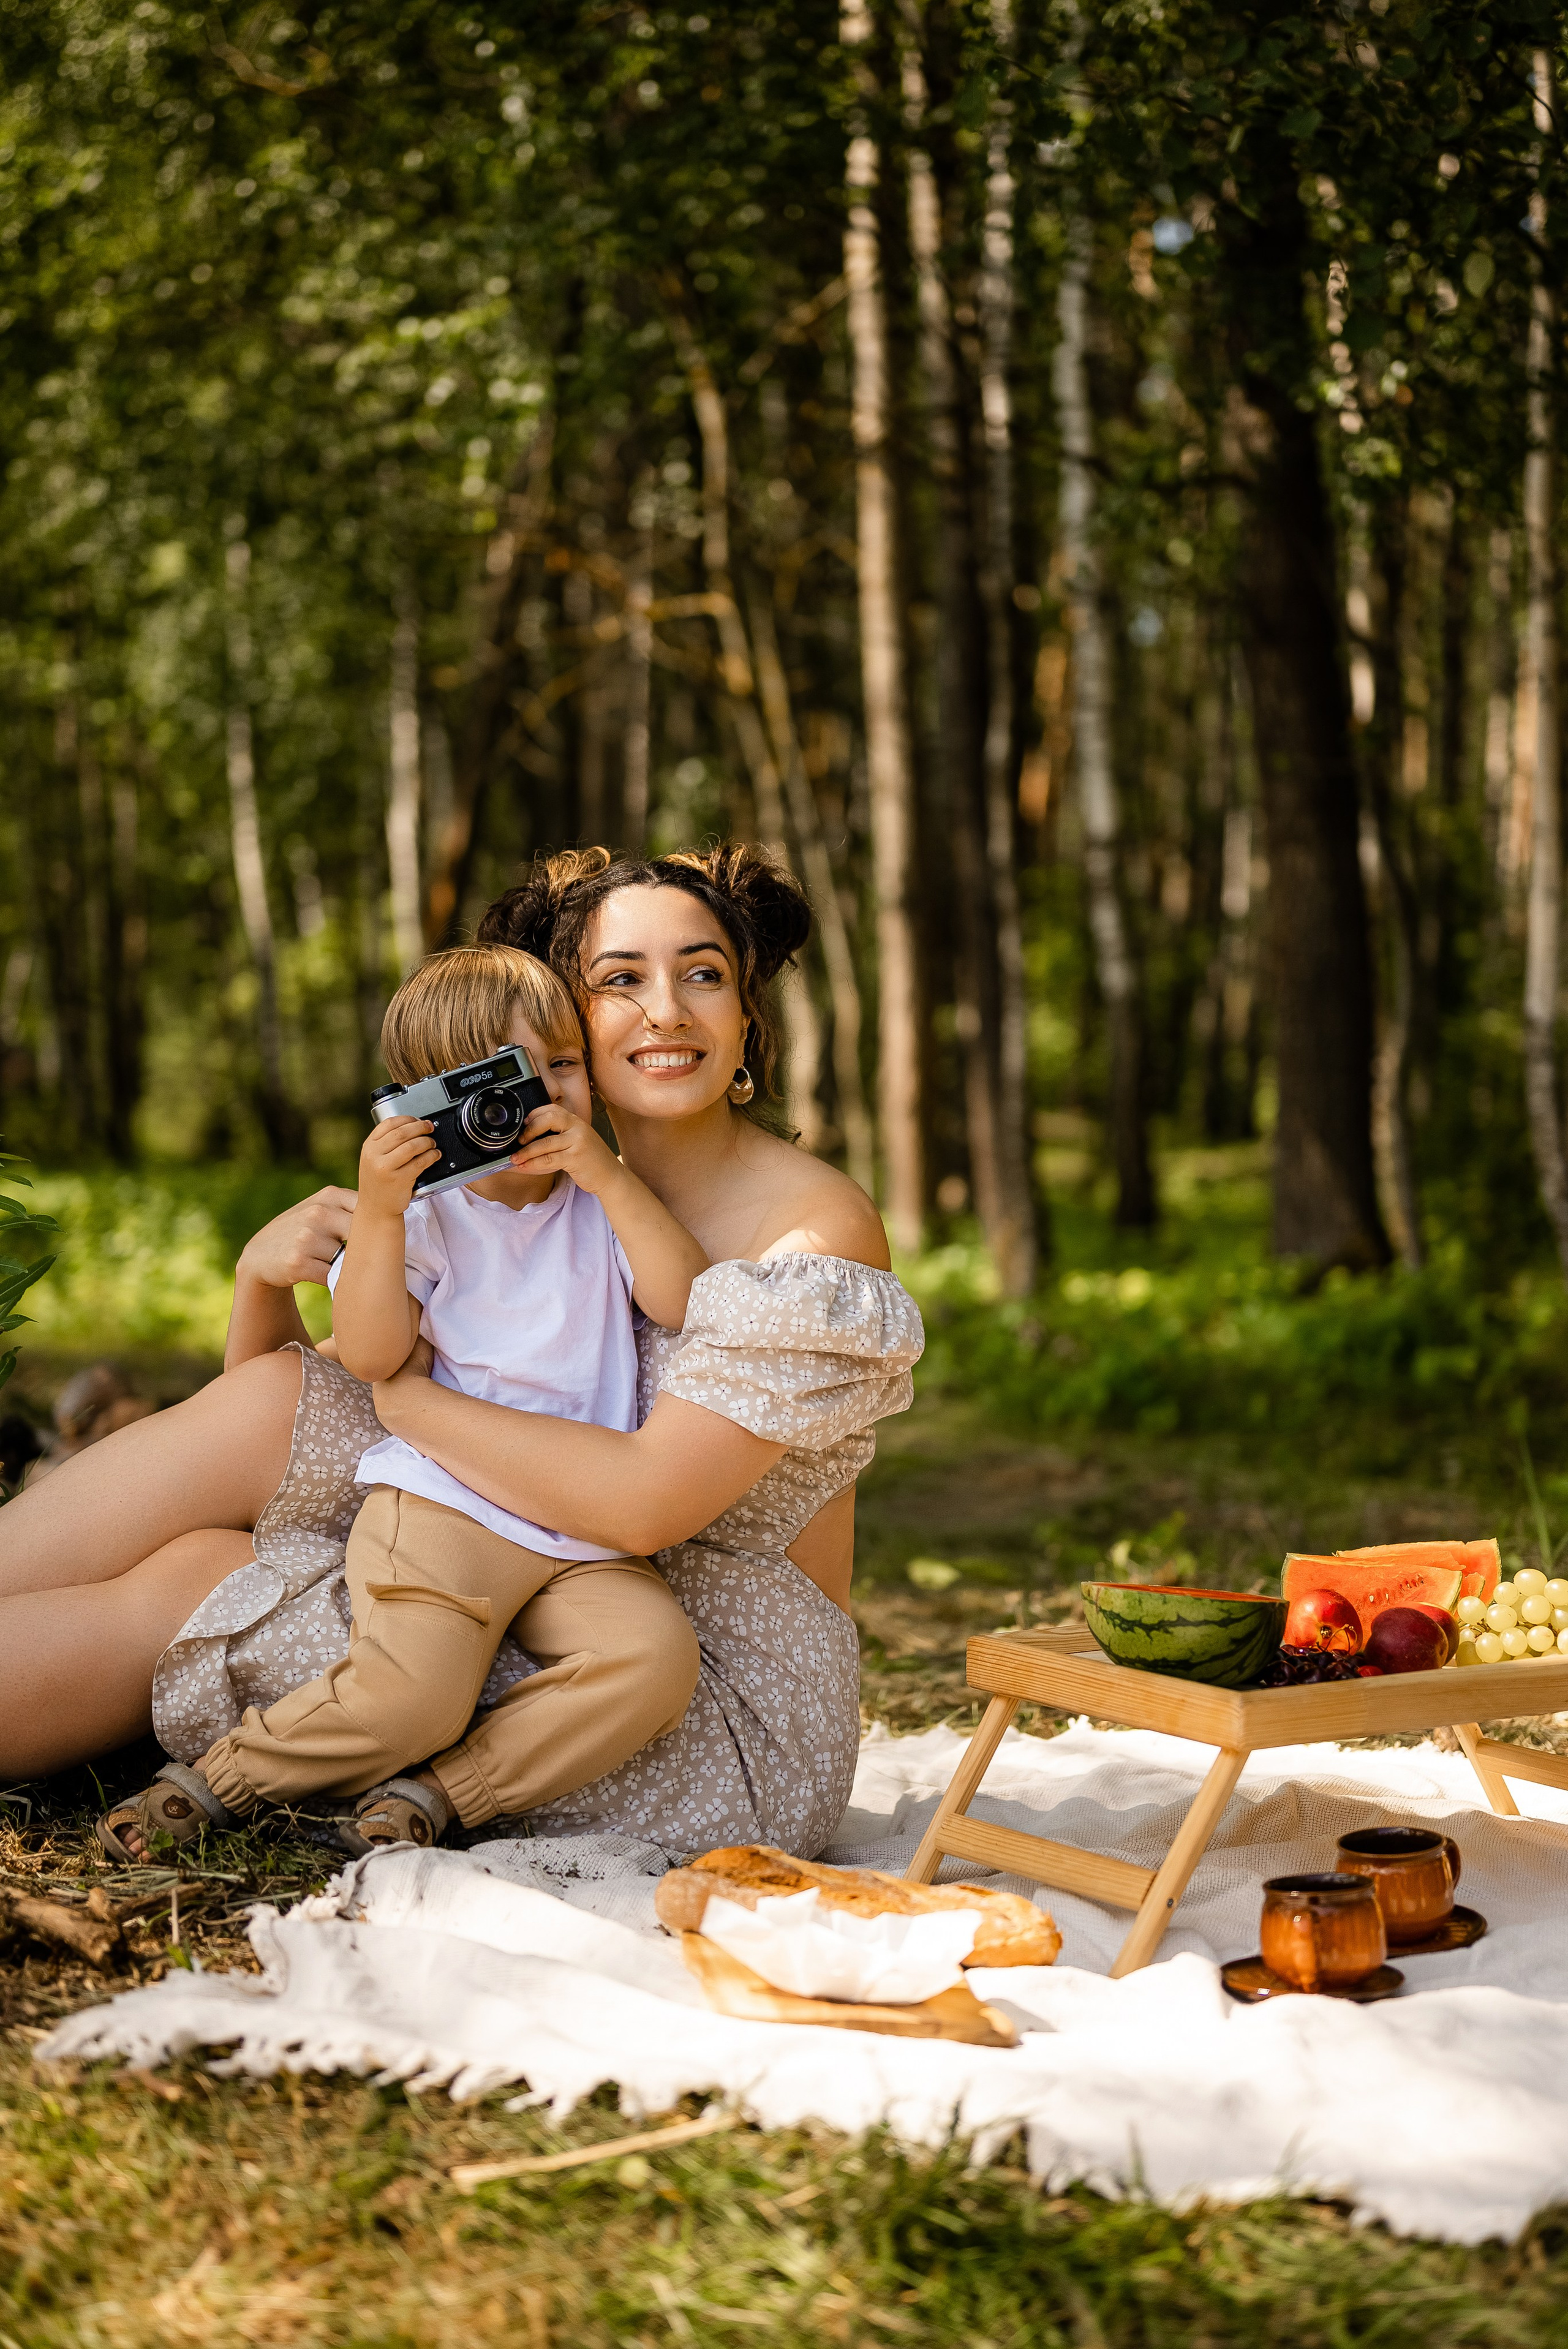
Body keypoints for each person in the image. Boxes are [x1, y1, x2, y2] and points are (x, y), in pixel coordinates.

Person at [0, 843, 924, 1861]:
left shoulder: (808, 1229)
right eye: (622, 981)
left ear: (747, 1014)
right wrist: (262, 1284)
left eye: (702, 974)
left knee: (198, 1584)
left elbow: (641, 1505)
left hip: (681, 1682)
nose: (665, 1011)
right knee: (261, 1434)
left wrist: (413, 1406)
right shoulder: (535, 1196)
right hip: (510, 1561)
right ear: (556, 1027)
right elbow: (323, 1392)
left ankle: (324, 1779)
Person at [95, 941, 704, 1861]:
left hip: (579, 1525)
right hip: (446, 1505)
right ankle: (217, 1783)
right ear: (426, 1106)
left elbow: (683, 1299)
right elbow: (378, 1357)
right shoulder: (424, 1219)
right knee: (414, 1697)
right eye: (497, 1083)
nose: (535, 1100)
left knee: (655, 1662)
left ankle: (437, 1796)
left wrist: (610, 1175)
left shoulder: (604, 1204)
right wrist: (381, 1212)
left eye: (562, 1066)